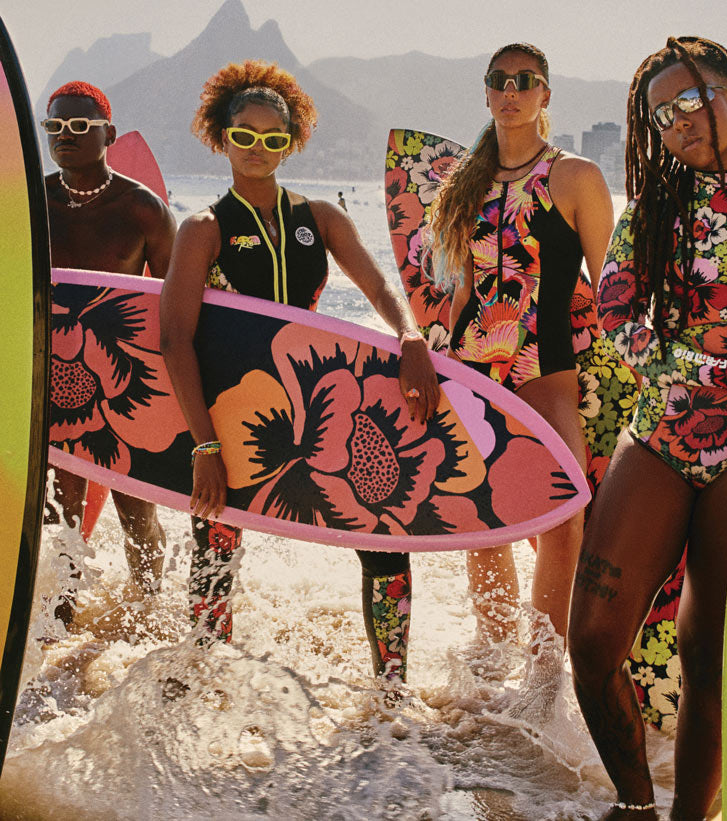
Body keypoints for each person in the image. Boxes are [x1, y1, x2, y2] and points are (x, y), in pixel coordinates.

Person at [159, 60, 439, 684]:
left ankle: (391, 698)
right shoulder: (205, 228)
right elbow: (173, 340)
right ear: (221, 137)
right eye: (244, 135)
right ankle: (206, 690)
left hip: (323, 408)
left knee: (384, 535)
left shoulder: (319, 218)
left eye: (273, 138)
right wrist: (203, 443)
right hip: (233, 418)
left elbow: (376, 285)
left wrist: (410, 335)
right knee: (216, 556)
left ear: (292, 141)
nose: (258, 149)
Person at [568, 37, 727, 820]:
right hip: (660, 436)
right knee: (592, 642)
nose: (679, 123)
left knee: (711, 657)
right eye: (662, 116)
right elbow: (620, 328)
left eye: (692, 100)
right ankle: (635, 805)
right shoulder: (657, 210)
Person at [427, 42, 614, 672]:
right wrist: (436, 360)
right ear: (485, 92)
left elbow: (611, 285)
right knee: (485, 514)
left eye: (525, 80)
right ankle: (490, 664)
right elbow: (460, 289)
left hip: (550, 366)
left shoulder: (576, 177)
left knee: (563, 515)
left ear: (545, 94)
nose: (511, 90)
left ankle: (544, 671)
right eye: (499, 80)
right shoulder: (464, 184)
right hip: (474, 367)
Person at [43, 80, 176, 624]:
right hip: (53, 374)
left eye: (80, 126)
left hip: (124, 376)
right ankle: (61, 618)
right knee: (62, 510)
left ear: (109, 134)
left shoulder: (143, 210)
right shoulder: (34, 201)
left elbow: (172, 303)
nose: (65, 136)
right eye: (54, 127)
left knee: (134, 510)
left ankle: (146, 615)